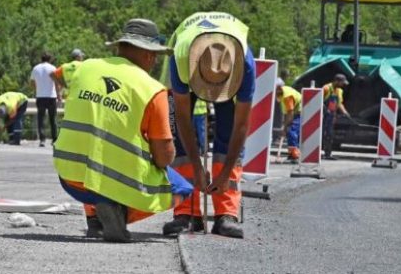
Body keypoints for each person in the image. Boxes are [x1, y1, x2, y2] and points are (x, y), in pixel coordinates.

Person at [53, 18, 192, 242]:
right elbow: (164, 157)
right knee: (182, 189)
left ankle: (96, 219)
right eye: (155, 56)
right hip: (117, 184)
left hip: (69, 176)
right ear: (149, 54)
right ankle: (120, 213)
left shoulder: (85, 68)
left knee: (93, 164)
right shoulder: (152, 90)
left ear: (119, 47)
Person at [161, 12, 255, 239]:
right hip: (186, 68)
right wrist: (196, 165)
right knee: (179, 145)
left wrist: (223, 175)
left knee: (227, 133)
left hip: (228, 70)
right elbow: (182, 119)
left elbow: (240, 126)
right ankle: (185, 211)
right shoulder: (181, 58)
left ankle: (226, 214)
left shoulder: (245, 65)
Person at [31, 52, 60, 147]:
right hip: (51, 96)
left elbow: (32, 82)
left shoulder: (35, 68)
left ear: (41, 59)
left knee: (41, 118)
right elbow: (56, 83)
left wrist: (37, 90)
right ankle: (54, 139)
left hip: (40, 96)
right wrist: (59, 95)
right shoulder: (52, 68)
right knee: (53, 119)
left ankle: (42, 140)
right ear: (50, 59)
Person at [322, 73, 350, 160]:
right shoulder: (326, 88)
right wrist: (325, 110)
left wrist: (345, 112)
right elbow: (319, 100)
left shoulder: (339, 91)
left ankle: (328, 154)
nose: (343, 85)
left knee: (329, 134)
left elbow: (339, 103)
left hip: (331, 115)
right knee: (322, 134)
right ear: (336, 81)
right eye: (342, 83)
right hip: (323, 115)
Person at [277, 81, 302, 160]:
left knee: (291, 131)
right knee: (289, 131)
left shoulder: (287, 96)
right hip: (294, 112)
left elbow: (290, 114)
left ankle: (295, 154)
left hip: (298, 112)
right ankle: (292, 153)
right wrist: (284, 125)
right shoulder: (281, 94)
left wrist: (285, 127)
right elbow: (286, 112)